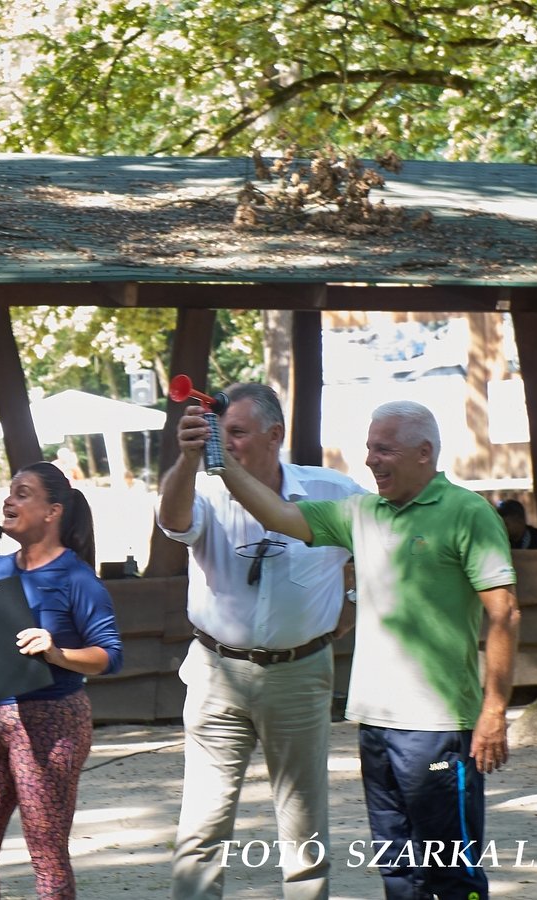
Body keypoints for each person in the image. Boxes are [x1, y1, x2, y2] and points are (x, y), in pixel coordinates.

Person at [214, 399, 520, 900]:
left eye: (384, 449)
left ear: (424, 453)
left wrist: (495, 711)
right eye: (368, 449)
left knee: (450, 873)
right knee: (397, 869)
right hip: (375, 723)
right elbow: (277, 511)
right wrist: (220, 461)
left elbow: (504, 612)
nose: (371, 461)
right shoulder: (360, 512)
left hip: (439, 728)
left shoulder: (468, 512)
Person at [157, 382, 364, 900]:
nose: (224, 443)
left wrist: (351, 606)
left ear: (276, 435)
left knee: (304, 825)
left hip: (300, 673)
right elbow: (173, 522)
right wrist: (186, 462)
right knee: (202, 827)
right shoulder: (202, 487)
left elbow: (381, 556)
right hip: (216, 673)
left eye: (237, 433)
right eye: (218, 432)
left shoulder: (333, 492)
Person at [0, 461, 123, 899]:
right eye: (10, 491)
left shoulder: (76, 578)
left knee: (45, 855)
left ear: (53, 512)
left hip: (51, 722)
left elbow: (110, 656)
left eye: (23, 493)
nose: (9, 500)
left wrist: (56, 651)